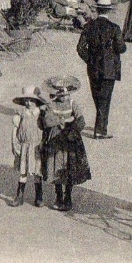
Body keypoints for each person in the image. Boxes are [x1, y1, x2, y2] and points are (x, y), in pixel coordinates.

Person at [76, 0, 127, 139]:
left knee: (97, 97)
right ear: (109, 11)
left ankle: (100, 126)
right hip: (109, 68)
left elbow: (80, 48)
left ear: (97, 10)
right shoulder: (114, 28)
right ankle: (100, 130)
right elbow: (121, 48)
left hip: (93, 68)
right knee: (105, 99)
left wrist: (90, 60)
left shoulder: (89, 27)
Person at [41, 78, 92, 211]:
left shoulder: (72, 103)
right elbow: (47, 121)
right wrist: (65, 119)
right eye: (61, 95)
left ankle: (68, 197)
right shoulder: (51, 105)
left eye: (66, 95)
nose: (64, 97)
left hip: (70, 140)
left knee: (69, 167)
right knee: (56, 166)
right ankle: (58, 196)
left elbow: (81, 121)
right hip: (55, 140)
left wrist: (73, 129)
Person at [10, 86, 46, 207]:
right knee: (23, 171)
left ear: (36, 101)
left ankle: (39, 196)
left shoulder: (41, 114)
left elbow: (45, 131)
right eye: (26, 100)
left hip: (36, 146)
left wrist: (43, 144)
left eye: (31, 100)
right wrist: (14, 144)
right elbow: (15, 130)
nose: (28, 102)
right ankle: (19, 196)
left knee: (37, 172)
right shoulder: (20, 113)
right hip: (24, 146)